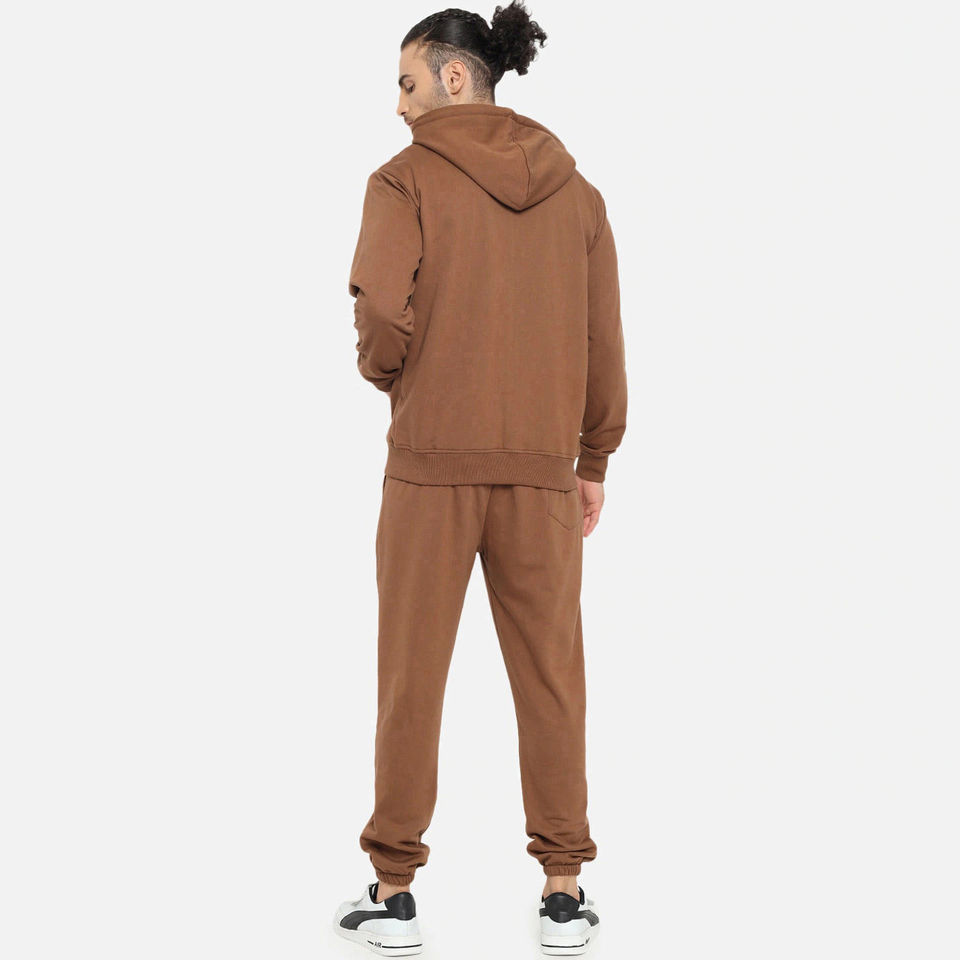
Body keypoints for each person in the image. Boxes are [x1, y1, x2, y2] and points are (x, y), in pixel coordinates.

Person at [334, 3, 626, 955]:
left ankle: (394, 892)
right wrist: (592, 458)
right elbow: (603, 336)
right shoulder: (578, 195)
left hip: (429, 471)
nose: (398, 104)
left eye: (407, 82)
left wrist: (392, 372)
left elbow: (382, 309)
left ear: (454, 76)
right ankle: (563, 892)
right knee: (553, 680)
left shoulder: (403, 179)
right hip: (544, 476)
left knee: (410, 679)